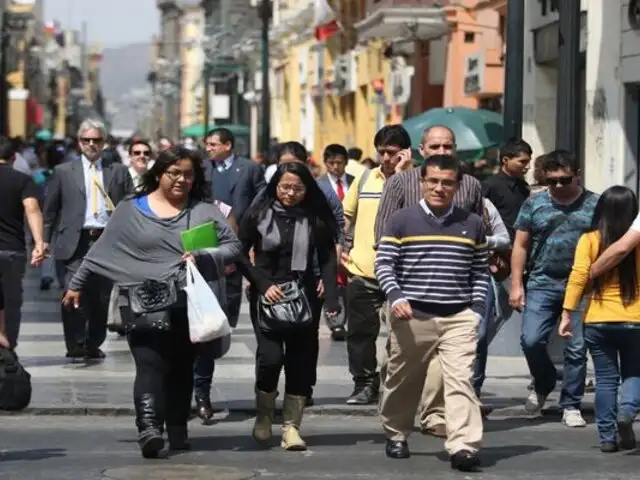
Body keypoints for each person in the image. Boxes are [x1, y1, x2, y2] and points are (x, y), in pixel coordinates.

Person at [61, 146, 241, 458]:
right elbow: (101, 251)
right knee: (149, 365)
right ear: (159, 174)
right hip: (142, 300)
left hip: (188, 303)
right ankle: (148, 428)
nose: (181, 180)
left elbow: (233, 246)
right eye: (174, 173)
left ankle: (178, 429)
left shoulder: (203, 210)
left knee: (183, 367)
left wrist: (203, 255)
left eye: (188, 174)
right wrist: (76, 286)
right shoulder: (131, 209)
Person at [375, 154, 488, 471]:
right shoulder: (401, 220)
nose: (440, 188)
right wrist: (395, 296)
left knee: (461, 381)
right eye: (433, 181)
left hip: (458, 317)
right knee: (403, 379)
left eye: (447, 182)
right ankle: (396, 433)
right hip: (412, 316)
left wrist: (477, 310)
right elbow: (384, 264)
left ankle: (463, 446)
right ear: (422, 182)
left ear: (457, 185)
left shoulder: (472, 223)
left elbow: (479, 272)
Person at [236, 162, 340, 451]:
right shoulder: (258, 214)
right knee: (270, 358)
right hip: (267, 295)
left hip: (304, 296)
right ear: (275, 186)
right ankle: (264, 415)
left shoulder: (314, 217)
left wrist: (331, 296)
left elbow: (329, 257)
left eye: (297, 188)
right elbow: (239, 253)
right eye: (285, 187)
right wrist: (261, 283)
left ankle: (292, 427)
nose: (290, 193)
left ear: (307, 189)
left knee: (300, 362)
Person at [510, 150, 598, 427]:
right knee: (531, 339)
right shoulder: (534, 203)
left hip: (584, 286)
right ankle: (545, 380)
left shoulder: (596, 204)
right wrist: (516, 285)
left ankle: (571, 404)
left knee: (577, 346)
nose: (559, 186)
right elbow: (520, 245)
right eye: (552, 181)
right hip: (542, 282)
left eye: (565, 180)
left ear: (577, 175)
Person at [43, 119, 133, 359]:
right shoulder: (63, 172)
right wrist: (43, 240)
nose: (91, 144)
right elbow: (50, 209)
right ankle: (75, 342)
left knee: (100, 296)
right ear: (79, 142)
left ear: (104, 143)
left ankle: (94, 342)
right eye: (86, 140)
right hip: (75, 241)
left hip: (105, 240)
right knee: (73, 291)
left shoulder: (118, 171)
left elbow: (131, 206)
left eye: (96, 140)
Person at [559, 186, 640, 452]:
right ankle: (627, 411)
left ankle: (607, 437)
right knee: (634, 372)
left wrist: (567, 312)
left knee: (605, 379)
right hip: (636, 319)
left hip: (598, 319)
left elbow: (578, 275)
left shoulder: (590, 240)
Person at [195, 127, 265, 420]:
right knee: (202, 330)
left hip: (237, 248)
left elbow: (262, 197)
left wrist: (246, 225)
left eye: (213, 144)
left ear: (227, 145)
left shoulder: (249, 168)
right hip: (202, 249)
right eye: (206, 144)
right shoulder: (200, 170)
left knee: (225, 318)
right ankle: (200, 393)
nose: (208, 148)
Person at [0, 136, 46, 348]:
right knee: (11, 302)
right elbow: (32, 210)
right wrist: (39, 242)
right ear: (14, 157)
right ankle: (9, 349)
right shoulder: (23, 180)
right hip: (12, 250)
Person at [316, 143, 354, 340]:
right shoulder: (318, 184)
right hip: (330, 239)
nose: (336, 167)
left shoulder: (356, 183)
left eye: (340, 163)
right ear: (326, 163)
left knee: (352, 282)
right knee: (334, 279)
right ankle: (336, 321)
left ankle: (350, 318)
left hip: (354, 240)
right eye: (331, 163)